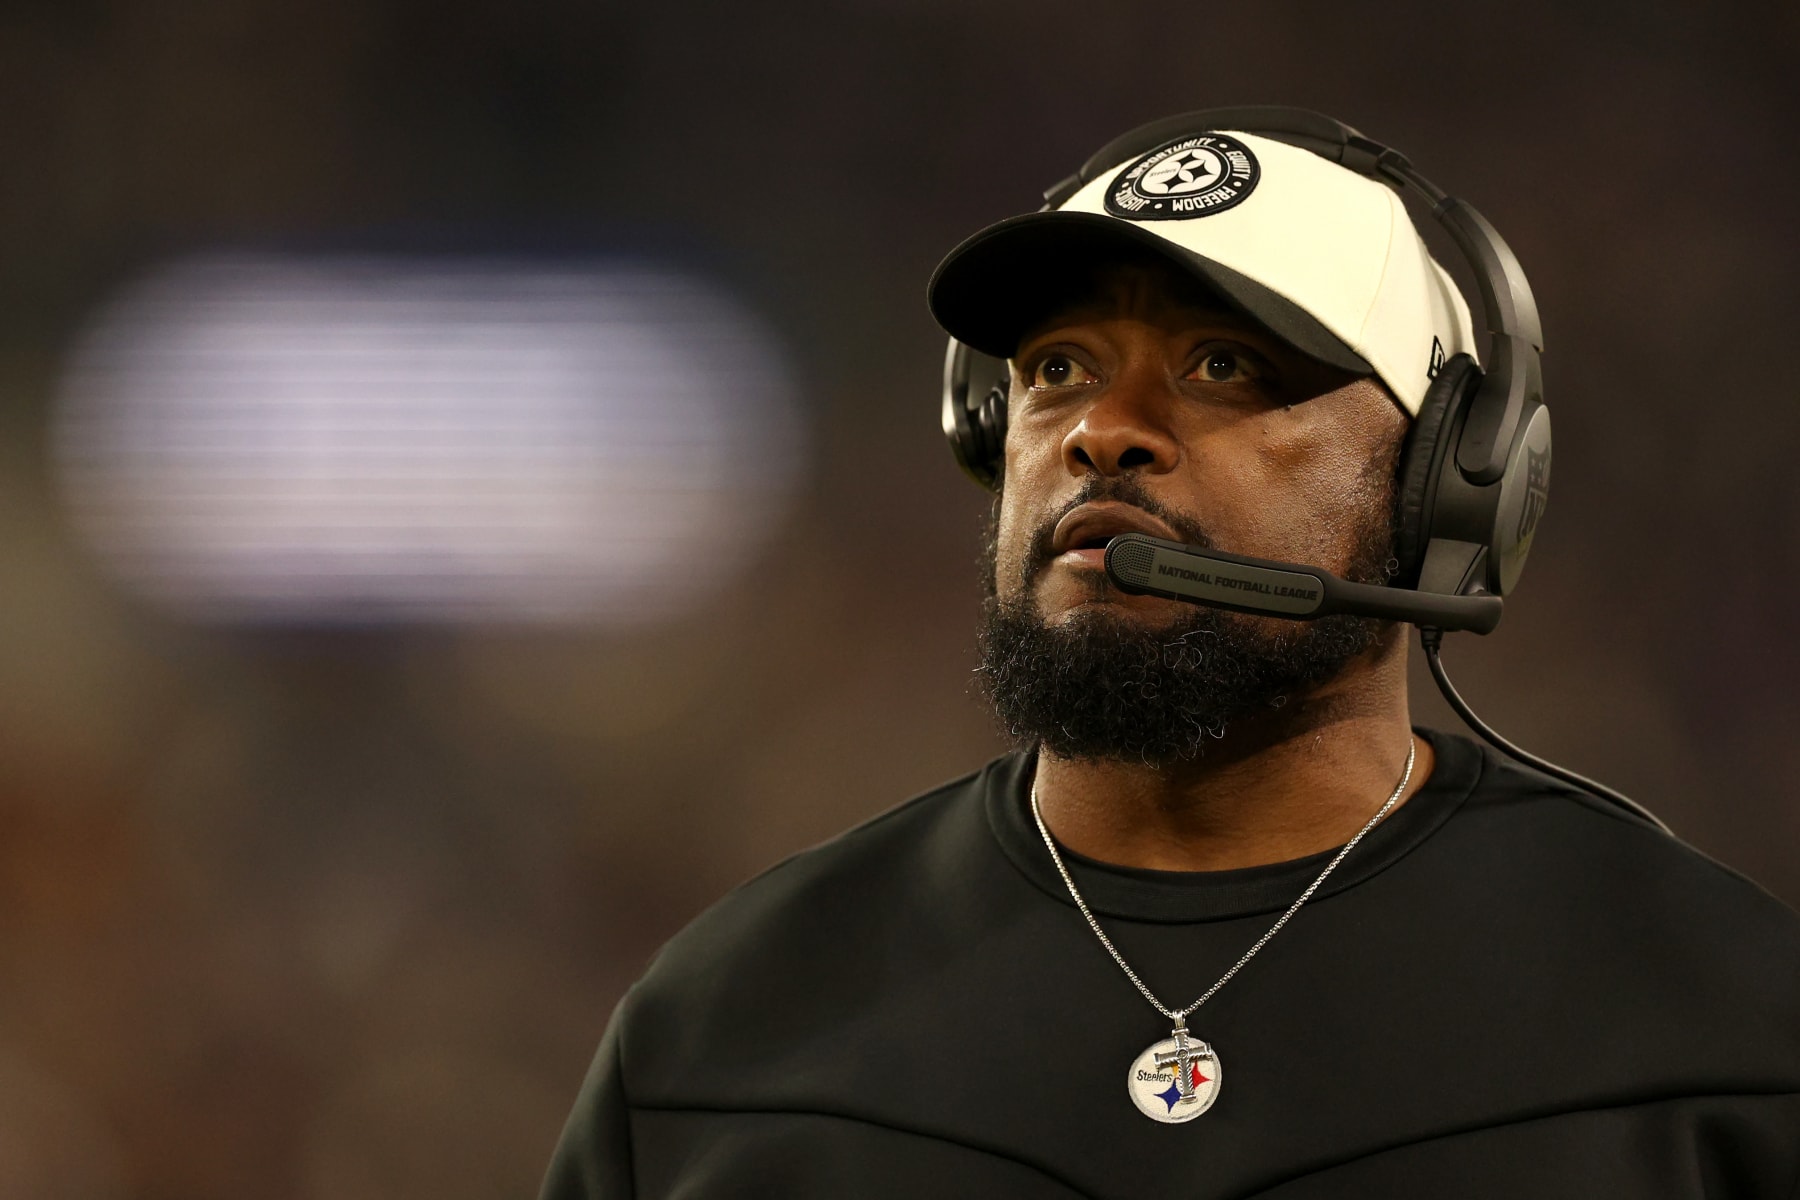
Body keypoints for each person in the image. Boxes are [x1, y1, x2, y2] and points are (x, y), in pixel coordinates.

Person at [540, 109, 1800, 1198]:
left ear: (1450, 480)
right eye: (1057, 368)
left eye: (1223, 363)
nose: (1102, 432)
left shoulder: (1716, 1019)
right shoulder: (726, 1025)